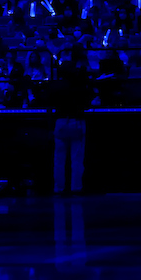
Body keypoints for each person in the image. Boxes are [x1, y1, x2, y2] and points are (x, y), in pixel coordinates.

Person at [52, 46, 95, 195]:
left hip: (61, 121)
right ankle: (76, 188)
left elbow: (49, 101)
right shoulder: (80, 86)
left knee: (59, 159)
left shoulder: (56, 86)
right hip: (77, 120)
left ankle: (59, 188)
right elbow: (89, 100)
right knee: (77, 159)